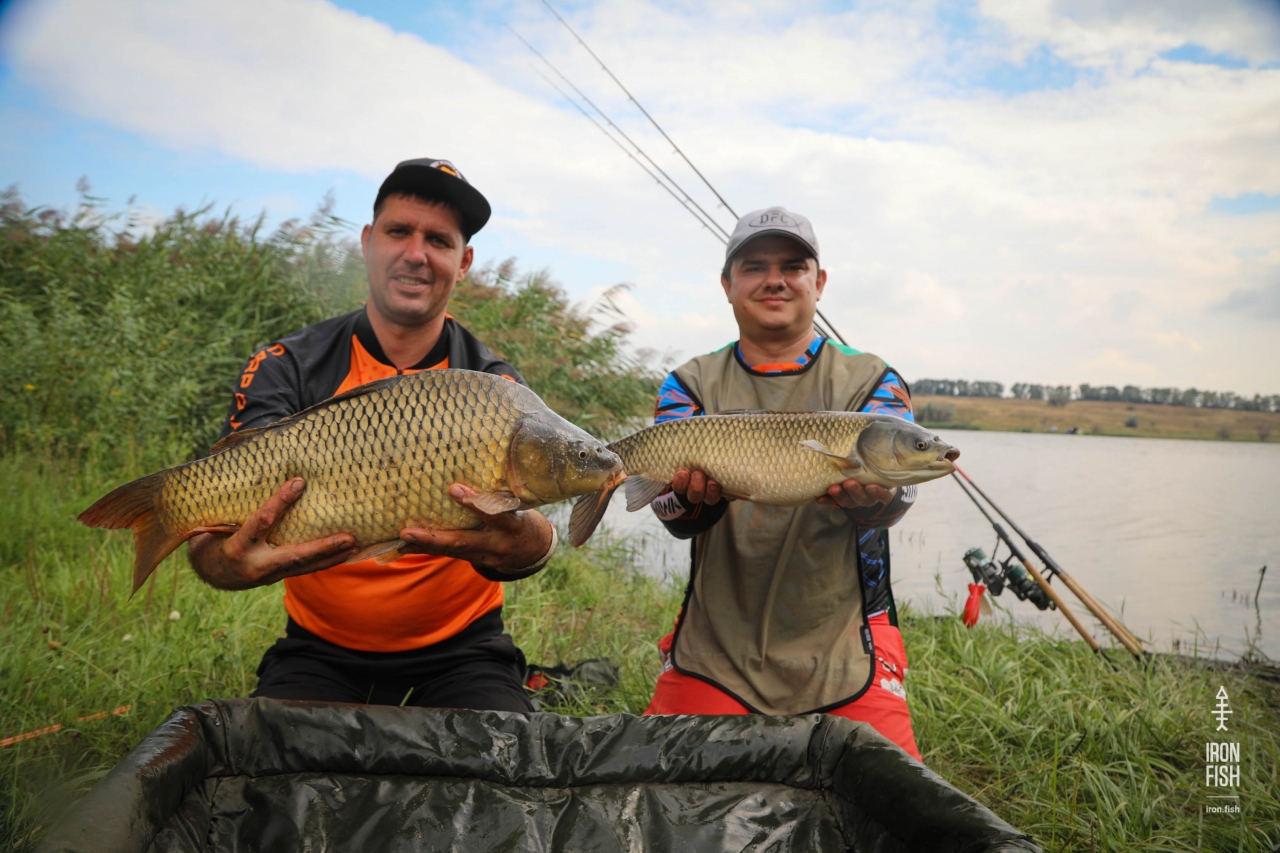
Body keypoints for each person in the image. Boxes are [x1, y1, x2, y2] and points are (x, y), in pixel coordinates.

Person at [188, 158, 556, 713]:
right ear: (367, 242)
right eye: (398, 231)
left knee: (503, 756)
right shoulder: (288, 365)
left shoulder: (493, 389)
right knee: (278, 760)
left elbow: (531, 543)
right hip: (319, 650)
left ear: (464, 263)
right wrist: (224, 564)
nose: (416, 253)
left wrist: (532, 541)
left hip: (464, 652)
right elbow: (212, 540)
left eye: (439, 240)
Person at [642, 207, 923, 759]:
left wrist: (878, 498)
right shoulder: (688, 383)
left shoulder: (873, 379)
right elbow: (669, 512)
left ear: (819, 283)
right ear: (727, 285)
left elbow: (901, 494)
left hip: (847, 642)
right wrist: (693, 502)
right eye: (754, 267)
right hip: (713, 644)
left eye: (793, 266)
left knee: (893, 794)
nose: (775, 280)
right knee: (661, 785)